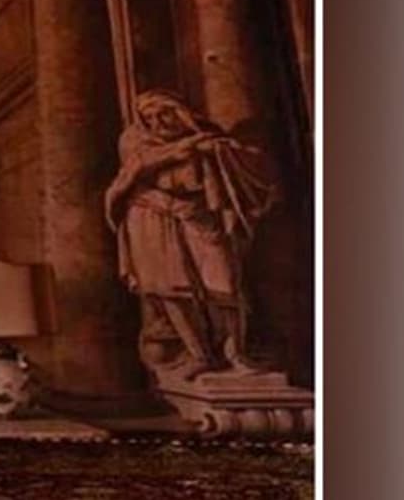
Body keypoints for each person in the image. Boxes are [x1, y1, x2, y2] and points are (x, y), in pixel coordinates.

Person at [104, 89, 279, 381]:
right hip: (152, 215)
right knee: (170, 288)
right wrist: (184, 149)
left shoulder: (209, 137)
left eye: (165, 113)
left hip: (200, 216)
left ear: (180, 111)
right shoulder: (136, 140)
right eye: (149, 118)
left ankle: (236, 351)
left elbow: (253, 165)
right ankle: (198, 354)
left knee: (223, 282)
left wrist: (215, 150)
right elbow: (136, 167)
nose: (158, 122)